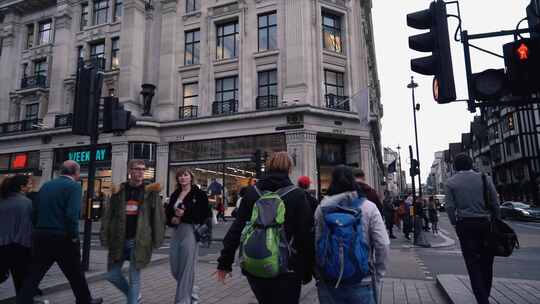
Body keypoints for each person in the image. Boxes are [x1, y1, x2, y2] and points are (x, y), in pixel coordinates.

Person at [216, 151, 314, 304]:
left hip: (255, 263)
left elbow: (237, 228)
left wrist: (224, 262)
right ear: (289, 169)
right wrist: (307, 271)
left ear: (268, 167)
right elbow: (305, 237)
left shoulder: (252, 193)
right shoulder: (297, 195)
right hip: (288, 267)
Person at [17, 161, 102, 304]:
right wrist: (74, 236)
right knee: (75, 272)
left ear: (61, 171)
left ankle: (23, 299)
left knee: (36, 272)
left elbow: (35, 211)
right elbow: (71, 215)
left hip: (41, 235)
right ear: (75, 172)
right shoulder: (74, 187)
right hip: (62, 237)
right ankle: (84, 300)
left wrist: (38, 227)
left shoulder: (46, 185)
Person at [314, 165, 389, 304]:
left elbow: (316, 242)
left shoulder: (322, 208)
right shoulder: (368, 207)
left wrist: (318, 273)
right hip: (361, 280)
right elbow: (383, 244)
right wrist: (378, 274)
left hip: (329, 281)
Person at [101, 160, 165, 304]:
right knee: (112, 275)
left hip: (139, 240)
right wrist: (105, 236)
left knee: (134, 279)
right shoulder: (119, 192)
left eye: (143, 169)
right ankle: (134, 296)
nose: (141, 172)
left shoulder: (150, 193)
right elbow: (108, 216)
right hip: (119, 239)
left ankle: (133, 299)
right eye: (137, 169)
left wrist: (157, 238)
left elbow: (158, 217)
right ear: (130, 171)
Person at [445, 153, 500, 304]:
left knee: (472, 263)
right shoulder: (484, 178)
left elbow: (449, 207)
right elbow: (495, 202)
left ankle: (482, 299)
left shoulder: (451, 182)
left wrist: (455, 222)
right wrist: (497, 219)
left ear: (455, 166)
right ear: (471, 164)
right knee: (487, 262)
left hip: (465, 225)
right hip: (485, 223)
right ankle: (485, 296)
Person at [165, 169, 211, 304]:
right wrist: (172, 219)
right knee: (175, 268)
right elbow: (168, 213)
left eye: (185, 175)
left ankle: (182, 300)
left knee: (186, 268)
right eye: (180, 176)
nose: (182, 178)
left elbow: (202, 214)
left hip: (191, 231)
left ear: (191, 178)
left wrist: (183, 215)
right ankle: (192, 290)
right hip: (176, 232)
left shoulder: (199, 194)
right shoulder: (175, 194)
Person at [0, 175, 33, 296]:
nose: (31, 186)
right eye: (29, 184)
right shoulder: (26, 203)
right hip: (19, 245)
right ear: (22, 187)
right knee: (21, 279)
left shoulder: (2, 200)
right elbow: (27, 227)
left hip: (2, 245)